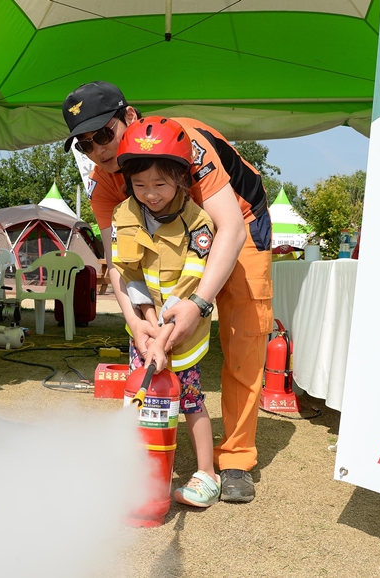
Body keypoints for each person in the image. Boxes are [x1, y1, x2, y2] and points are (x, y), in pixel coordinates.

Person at [63, 82, 273, 502]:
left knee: (243, 339)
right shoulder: (104, 182)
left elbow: (227, 228)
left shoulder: (186, 142)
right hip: (173, 235)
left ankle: (234, 460)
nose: (98, 150)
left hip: (239, 222)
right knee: (159, 334)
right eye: (84, 145)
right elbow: (119, 260)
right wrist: (135, 321)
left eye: (104, 133)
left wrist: (198, 302)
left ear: (130, 116)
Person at [113, 117, 221, 507]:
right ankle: (134, 465)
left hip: (183, 330)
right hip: (144, 328)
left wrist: (165, 330)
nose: (150, 194)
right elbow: (125, 271)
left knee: (190, 400)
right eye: (140, 185)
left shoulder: (199, 222)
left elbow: (192, 281)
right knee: (139, 395)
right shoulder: (124, 213)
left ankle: (207, 473)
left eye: (159, 184)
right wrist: (141, 321)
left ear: (180, 177)